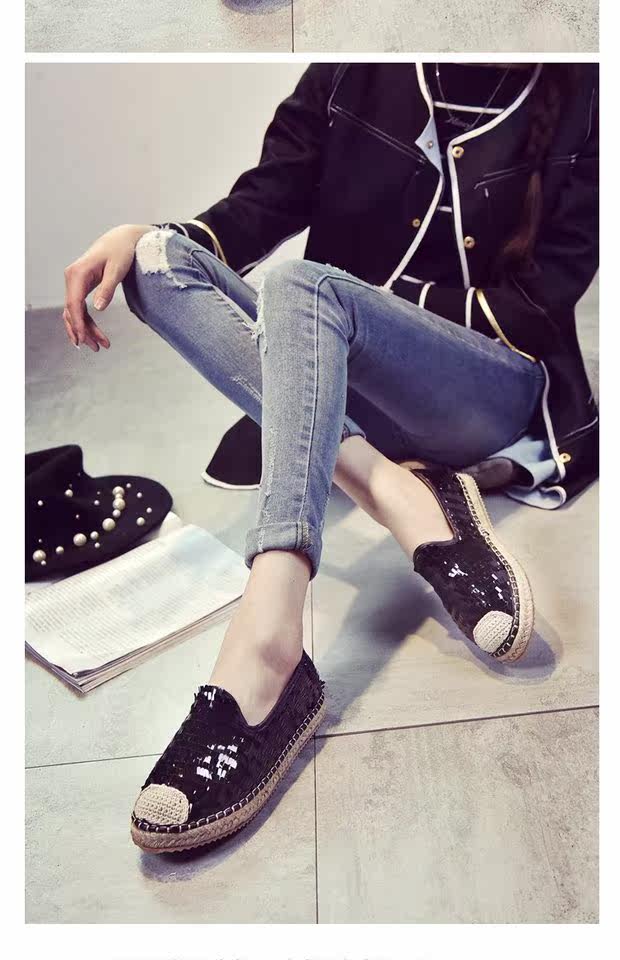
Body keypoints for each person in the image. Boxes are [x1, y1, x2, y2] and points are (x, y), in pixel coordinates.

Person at [62, 63, 598, 853]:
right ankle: (398, 492)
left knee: (304, 289)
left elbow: (545, 295)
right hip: (345, 378)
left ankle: (269, 639)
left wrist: (354, 318)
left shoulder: (583, 82)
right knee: (153, 261)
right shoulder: (359, 62)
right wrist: (145, 235)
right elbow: (267, 196)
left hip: (488, 389)